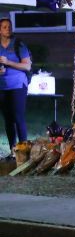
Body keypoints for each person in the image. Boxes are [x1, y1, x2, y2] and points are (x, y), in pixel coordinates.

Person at [0, 17, 32, 159]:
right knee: (7, 119)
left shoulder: (19, 44)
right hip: (2, 86)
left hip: (18, 85)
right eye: (5, 27)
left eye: (10, 26)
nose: (8, 29)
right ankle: (13, 151)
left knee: (18, 117)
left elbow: (27, 65)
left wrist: (8, 62)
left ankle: (23, 150)